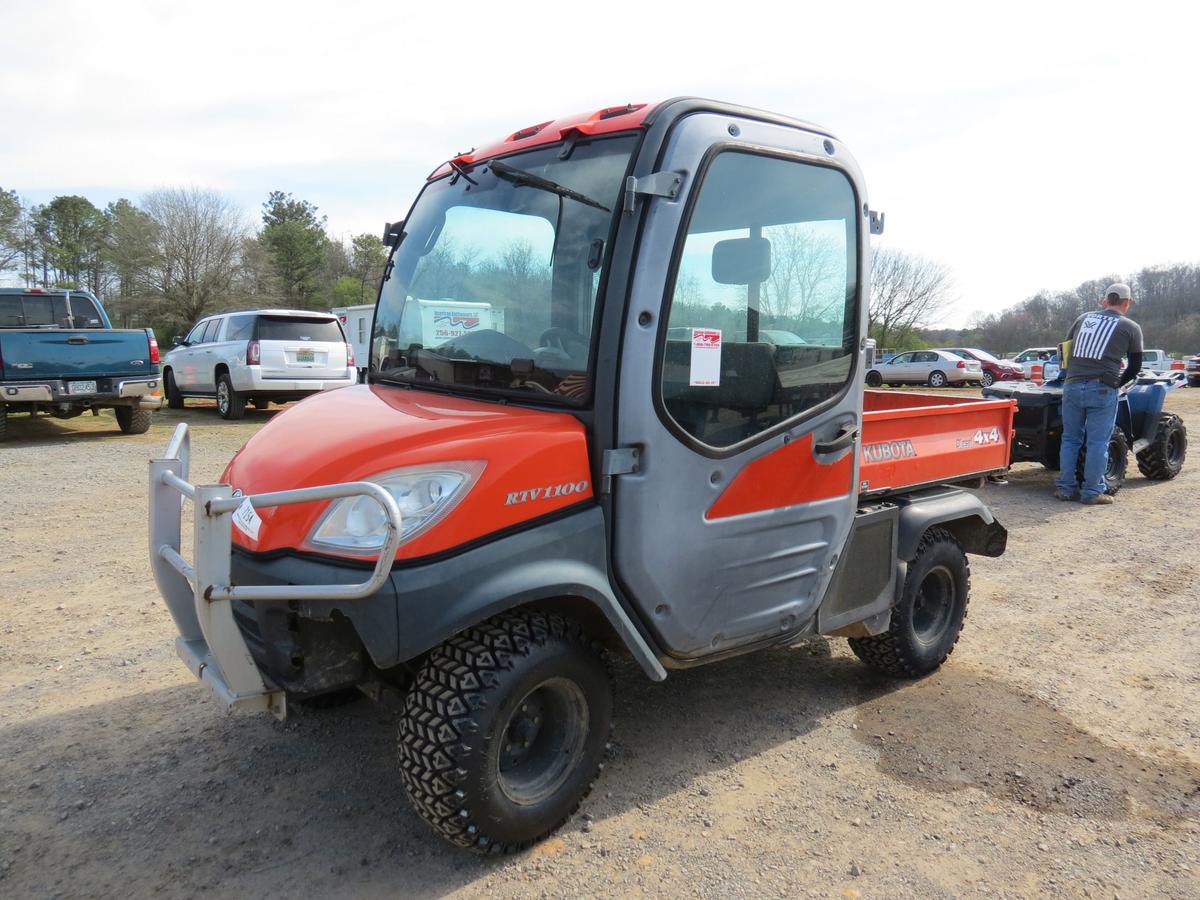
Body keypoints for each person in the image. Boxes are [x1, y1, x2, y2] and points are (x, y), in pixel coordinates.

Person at [1054, 283, 1143, 504]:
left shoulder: (1083, 318)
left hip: (1072, 385)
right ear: (1127, 302)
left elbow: (1064, 350)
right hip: (1103, 388)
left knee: (1070, 439)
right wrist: (1118, 384)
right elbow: (1135, 366)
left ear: (1105, 300)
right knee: (1097, 443)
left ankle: (1065, 489)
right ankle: (1092, 492)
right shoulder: (1130, 327)